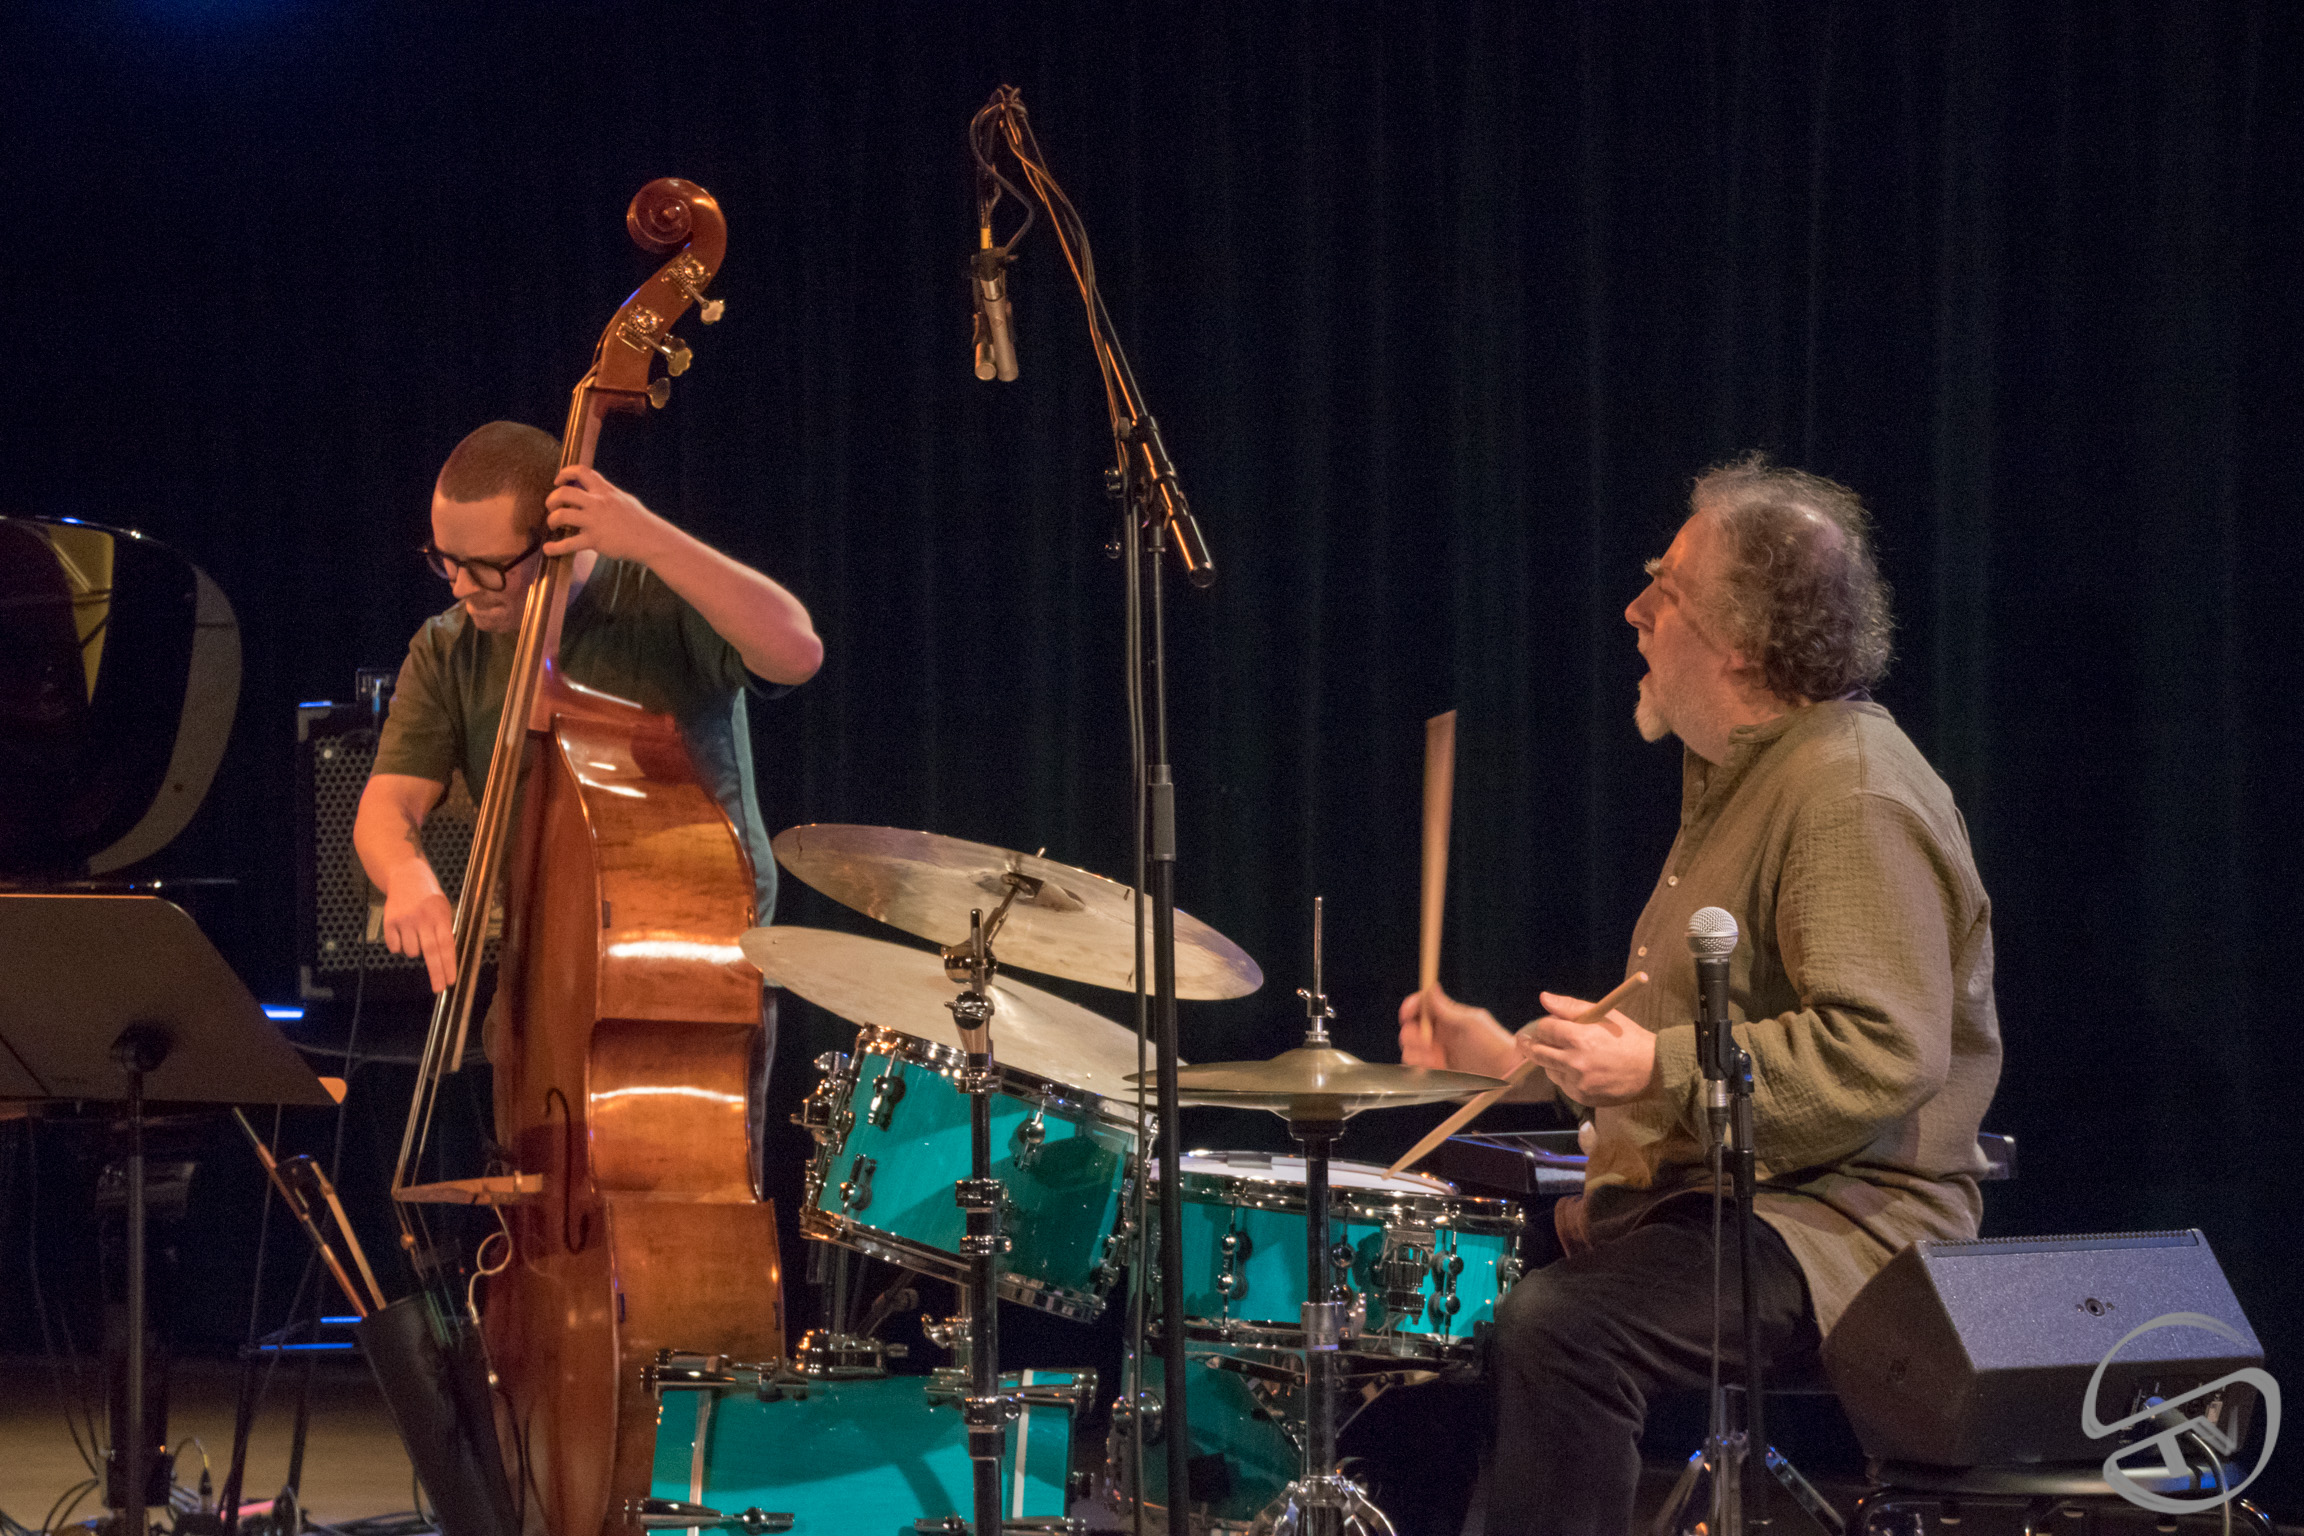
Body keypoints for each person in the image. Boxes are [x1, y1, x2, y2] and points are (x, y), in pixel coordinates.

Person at [1400, 455, 2002, 1535]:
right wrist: (1517, 1066)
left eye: (1665, 589)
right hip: (1716, 1204)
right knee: (1429, 1292)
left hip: (1838, 1227)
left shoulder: (1851, 790)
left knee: (1560, 1329)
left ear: (1741, 641)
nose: (1635, 611)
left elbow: (1880, 1049)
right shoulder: (1747, 777)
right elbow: (1702, 1041)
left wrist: (1651, 1064)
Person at [353, 419, 822, 996]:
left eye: (486, 568)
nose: (460, 587)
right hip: (544, 975)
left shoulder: (662, 597)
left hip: (701, 966)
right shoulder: (447, 648)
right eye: (445, 560)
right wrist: (405, 873)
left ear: (558, 536)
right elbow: (388, 802)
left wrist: (652, 538)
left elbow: (798, 655)